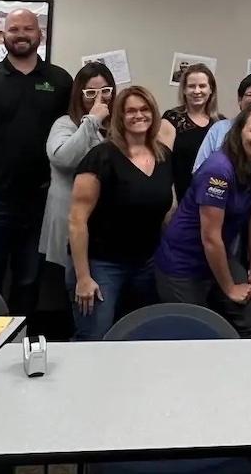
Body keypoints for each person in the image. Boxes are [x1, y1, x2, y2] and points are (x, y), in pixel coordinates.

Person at [0, 8, 72, 319]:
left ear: (40, 35)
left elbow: (72, 136)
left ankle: (21, 344)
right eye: (14, 29)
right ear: (2, 36)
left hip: (40, 201)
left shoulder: (61, 81)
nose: (21, 35)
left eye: (28, 29)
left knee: (29, 280)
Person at [154, 103, 251, 338]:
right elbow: (210, 238)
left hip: (218, 257)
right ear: (239, 131)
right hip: (184, 263)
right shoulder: (219, 170)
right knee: (199, 333)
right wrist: (230, 288)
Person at [68, 87, 174, 340]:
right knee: (95, 337)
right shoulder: (101, 156)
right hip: (101, 265)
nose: (139, 115)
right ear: (120, 116)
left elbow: (169, 209)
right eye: (131, 111)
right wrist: (83, 277)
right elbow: (76, 220)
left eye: (144, 109)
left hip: (146, 264)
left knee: (140, 336)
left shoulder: (163, 156)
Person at [40, 63, 115, 292]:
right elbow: (62, 158)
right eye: (90, 93)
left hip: (105, 225)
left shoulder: (117, 128)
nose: (99, 99)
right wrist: (90, 122)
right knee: (77, 289)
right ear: (79, 94)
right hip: (70, 223)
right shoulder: (65, 124)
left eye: (106, 91)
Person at [161, 63, 223, 201]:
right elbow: (162, 166)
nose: (197, 91)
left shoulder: (220, 123)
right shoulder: (172, 118)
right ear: (183, 90)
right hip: (180, 199)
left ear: (211, 89)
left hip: (212, 200)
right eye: (191, 86)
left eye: (202, 86)